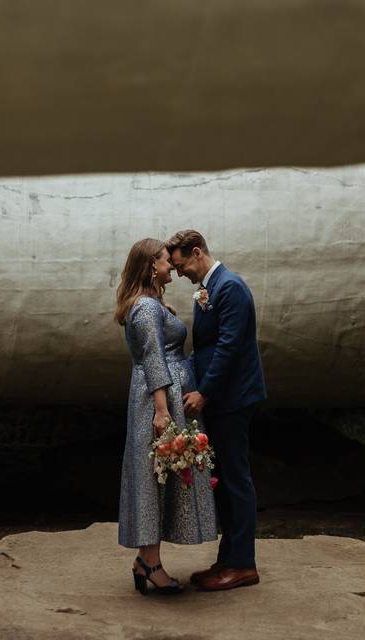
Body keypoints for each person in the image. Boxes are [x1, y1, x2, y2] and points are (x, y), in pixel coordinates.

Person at [114, 237, 216, 596]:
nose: (170, 265)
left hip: (164, 393)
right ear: (150, 266)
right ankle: (151, 564)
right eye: (164, 260)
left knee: (161, 476)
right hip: (157, 399)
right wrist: (161, 410)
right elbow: (154, 359)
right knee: (154, 477)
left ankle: (146, 561)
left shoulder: (152, 305)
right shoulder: (145, 308)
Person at [167, 229, 266, 591]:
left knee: (236, 479)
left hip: (234, 398)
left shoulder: (230, 288)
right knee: (223, 480)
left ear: (196, 252)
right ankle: (229, 559)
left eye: (181, 266)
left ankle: (243, 565)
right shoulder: (208, 288)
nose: (180, 274)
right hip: (222, 398)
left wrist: (204, 393)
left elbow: (229, 347)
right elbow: (207, 346)